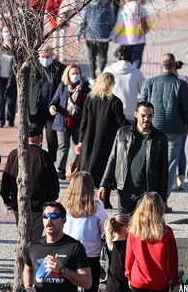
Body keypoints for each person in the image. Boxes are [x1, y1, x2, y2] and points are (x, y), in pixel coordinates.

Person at [138, 54, 188, 198]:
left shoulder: (149, 83)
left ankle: (148, 195)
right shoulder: (180, 84)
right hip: (175, 129)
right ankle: (163, 199)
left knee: (151, 161)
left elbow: (142, 106)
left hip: (154, 126)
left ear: (161, 65)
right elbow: (187, 109)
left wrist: (139, 126)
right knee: (170, 165)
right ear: (174, 66)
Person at [62, 172, 109, 292]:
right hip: (90, 256)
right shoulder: (96, 207)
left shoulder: (65, 206)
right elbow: (105, 228)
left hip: (69, 255)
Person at [125, 191, 178, 292]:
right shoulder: (166, 232)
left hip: (138, 278)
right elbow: (172, 260)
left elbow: (129, 257)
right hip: (160, 279)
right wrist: (173, 279)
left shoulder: (134, 230)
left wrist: (128, 274)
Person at [98, 101, 169, 214]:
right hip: (125, 190)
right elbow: (113, 159)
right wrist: (103, 185)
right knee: (124, 226)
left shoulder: (160, 138)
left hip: (147, 191)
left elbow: (164, 169)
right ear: (135, 114)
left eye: (150, 116)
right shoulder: (122, 133)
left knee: (142, 228)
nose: (146, 119)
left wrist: (163, 198)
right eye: (143, 115)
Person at [77, 72, 130, 208]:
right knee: (106, 171)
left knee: (87, 170)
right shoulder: (115, 101)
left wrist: (80, 140)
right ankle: (105, 200)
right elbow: (121, 122)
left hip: (89, 139)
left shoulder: (90, 98)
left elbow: (83, 121)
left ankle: (85, 199)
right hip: (107, 142)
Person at [3, 128, 61, 242]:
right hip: (38, 205)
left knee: (22, 235)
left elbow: (6, 180)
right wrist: (51, 200)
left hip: (18, 203)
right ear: (40, 137)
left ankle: (24, 256)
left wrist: (7, 199)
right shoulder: (43, 156)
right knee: (34, 238)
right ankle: (29, 258)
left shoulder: (14, 154)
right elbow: (53, 182)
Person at [49, 64, 90, 179]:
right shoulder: (63, 86)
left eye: (77, 73)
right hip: (63, 121)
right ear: (67, 75)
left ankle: (76, 168)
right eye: (72, 73)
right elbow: (54, 100)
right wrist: (52, 107)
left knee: (79, 147)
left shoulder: (85, 88)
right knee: (63, 146)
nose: (75, 76)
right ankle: (60, 170)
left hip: (78, 123)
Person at [76, 0, 117, 77]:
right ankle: (101, 72)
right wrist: (110, 32)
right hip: (103, 36)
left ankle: (92, 75)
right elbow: (112, 21)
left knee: (91, 57)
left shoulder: (88, 6)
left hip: (90, 36)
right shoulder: (108, 6)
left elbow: (82, 21)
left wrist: (78, 34)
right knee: (103, 57)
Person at [103, 45, 145, 119]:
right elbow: (144, 93)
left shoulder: (108, 70)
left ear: (116, 56)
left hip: (110, 112)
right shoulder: (137, 73)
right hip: (130, 113)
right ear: (130, 57)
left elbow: (102, 91)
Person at [111, 0, 151, 69]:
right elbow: (149, 23)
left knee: (126, 59)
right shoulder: (142, 9)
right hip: (140, 39)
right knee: (137, 59)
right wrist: (144, 31)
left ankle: (128, 74)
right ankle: (135, 73)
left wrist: (113, 35)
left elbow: (119, 25)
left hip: (126, 40)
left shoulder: (124, 10)